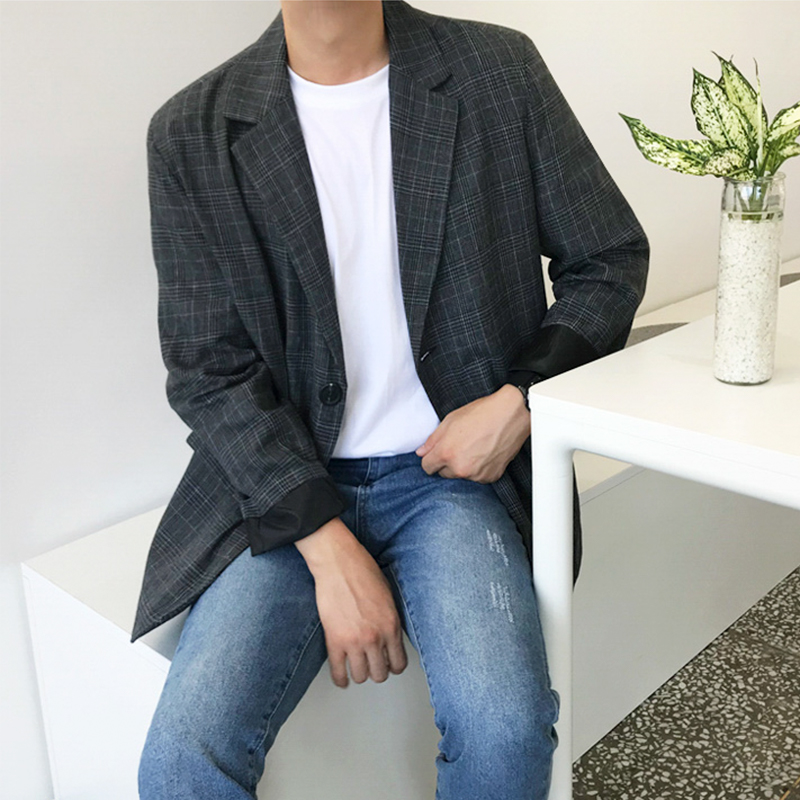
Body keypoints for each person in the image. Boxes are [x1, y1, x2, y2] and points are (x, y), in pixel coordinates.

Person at [134, 1, 649, 798]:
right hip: (288, 489)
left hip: (453, 480)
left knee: (505, 732)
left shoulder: (495, 71)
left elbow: (608, 258)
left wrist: (519, 399)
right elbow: (208, 367)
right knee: (180, 765)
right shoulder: (190, 132)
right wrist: (327, 545)